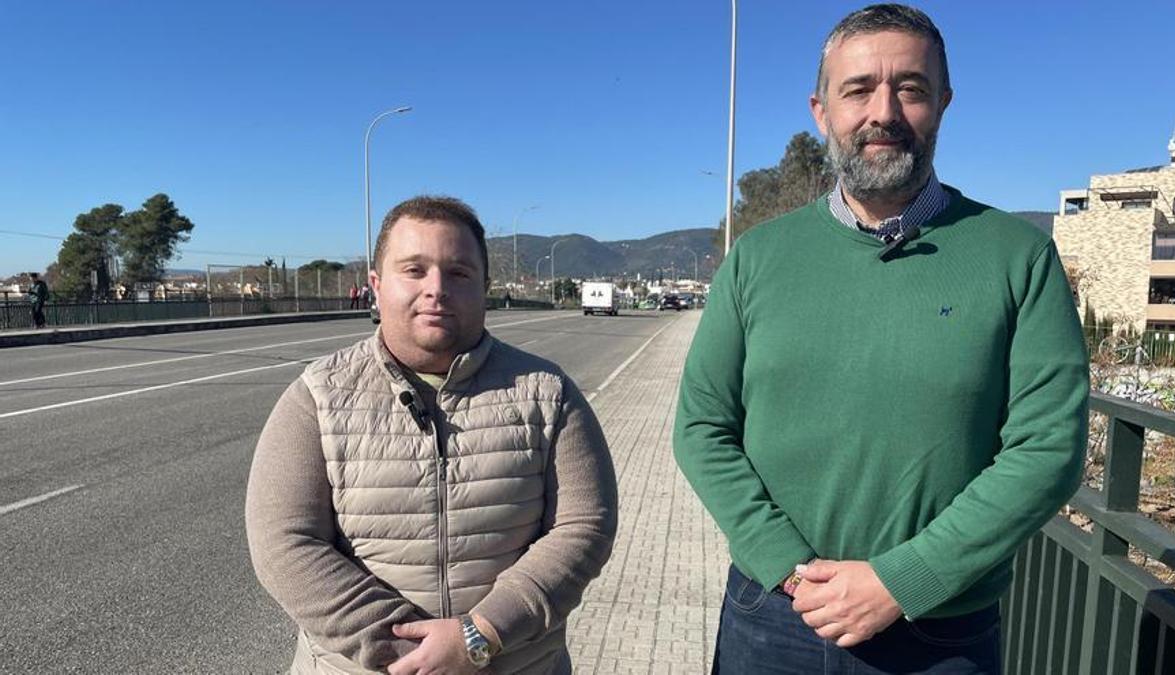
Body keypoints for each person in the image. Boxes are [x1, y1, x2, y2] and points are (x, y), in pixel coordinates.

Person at [673, 5, 1088, 673]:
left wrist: (904, 578)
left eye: (912, 88)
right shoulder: (757, 257)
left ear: (943, 104)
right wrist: (787, 563)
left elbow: (1049, 449)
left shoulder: (1020, 257)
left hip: (938, 628)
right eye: (859, 88)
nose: (884, 111)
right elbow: (700, 425)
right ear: (821, 110)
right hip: (773, 615)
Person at [246, 195, 618, 675]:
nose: (436, 289)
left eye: (458, 273)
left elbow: (584, 526)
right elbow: (284, 546)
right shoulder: (316, 398)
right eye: (414, 270)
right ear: (377, 287)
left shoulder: (548, 393)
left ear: (484, 287)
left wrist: (480, 636)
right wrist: (415, 657)